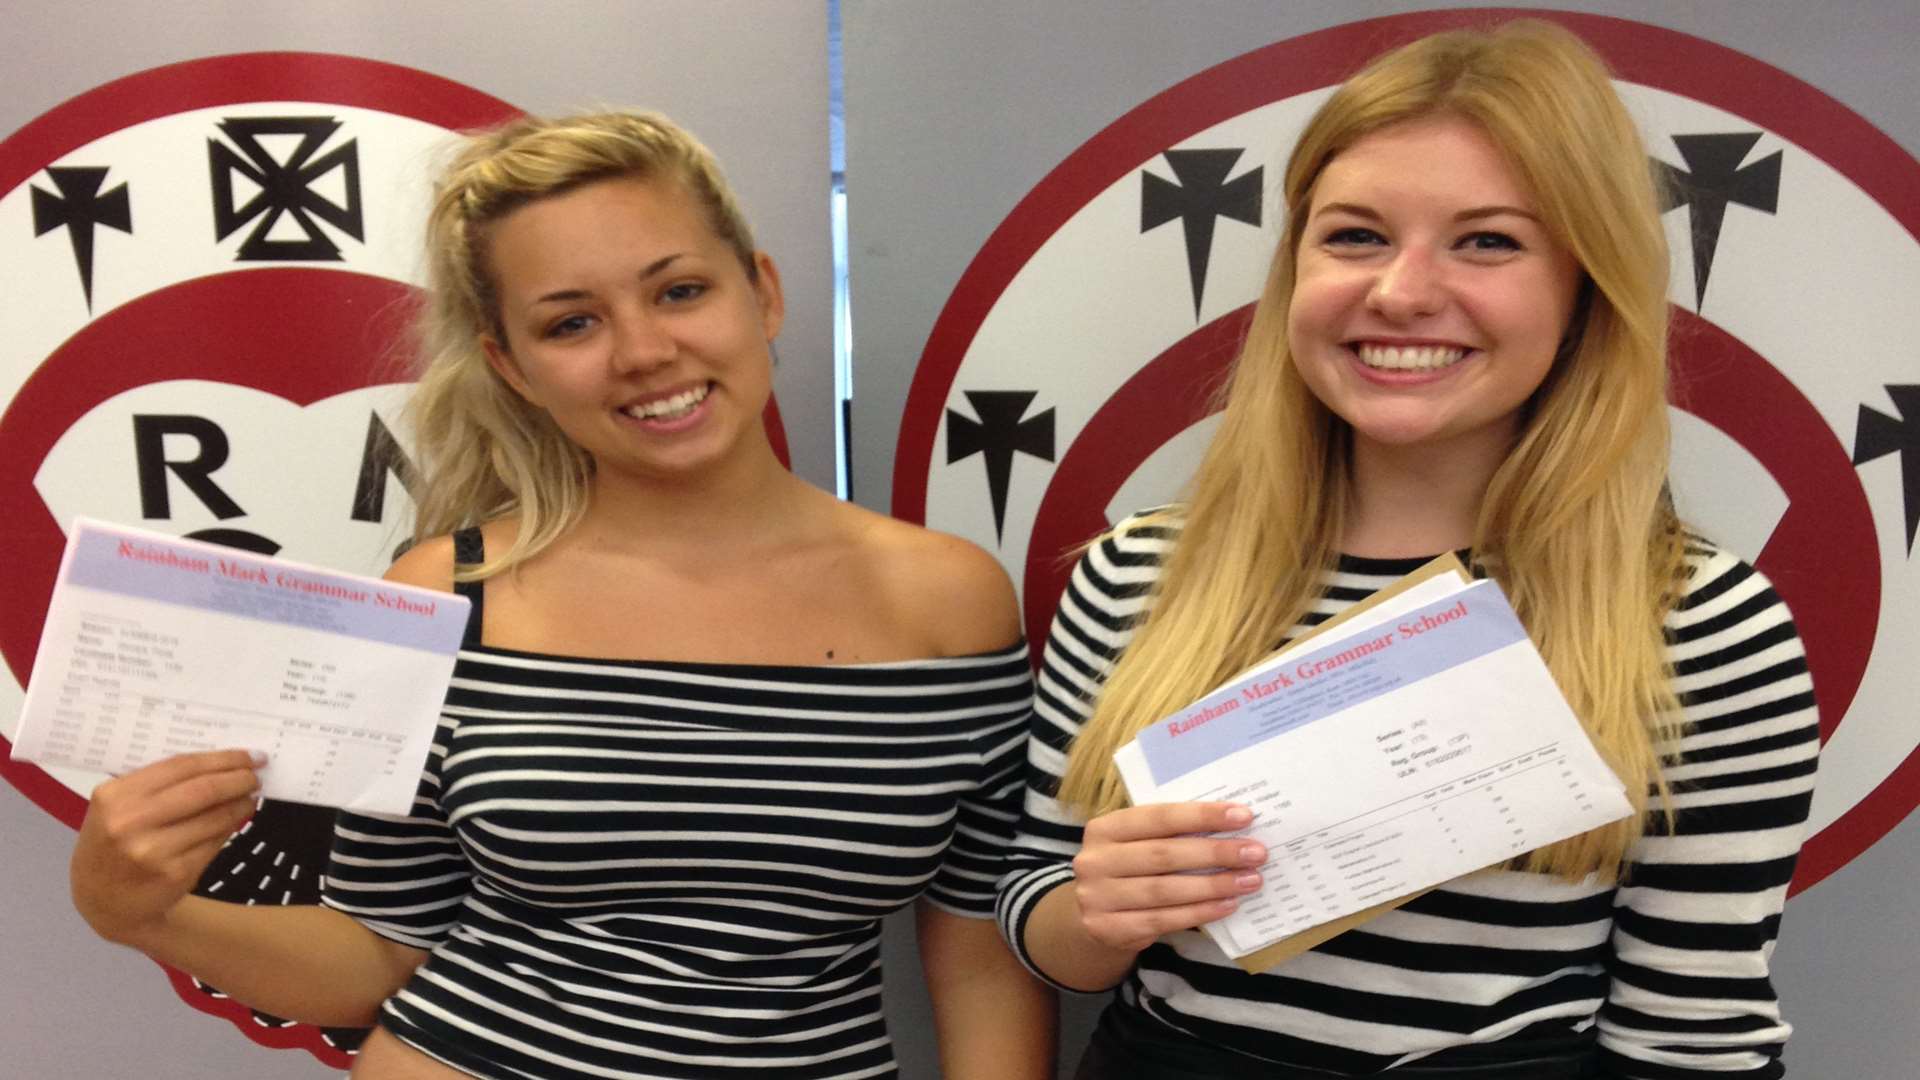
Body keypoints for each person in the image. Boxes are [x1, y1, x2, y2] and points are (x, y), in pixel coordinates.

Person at [69, 110, 1054, 1080]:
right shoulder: (447, 596)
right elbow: (376, 953)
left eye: (679, 291)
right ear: (513, 365)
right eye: (571, 321)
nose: (642, 351)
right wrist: (140, 911)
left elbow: (976, 961)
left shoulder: (949, 602)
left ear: (762, 292)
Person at [995, 20, 1816, 1080]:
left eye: (1488, 241)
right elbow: (1038, 910)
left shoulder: (1698, 624)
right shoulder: (1137, 576)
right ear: (1294, 269)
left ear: (1584, 290)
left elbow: (1693, 1035)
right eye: (1355, 236)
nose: (1400, 293)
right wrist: (1097, 915)